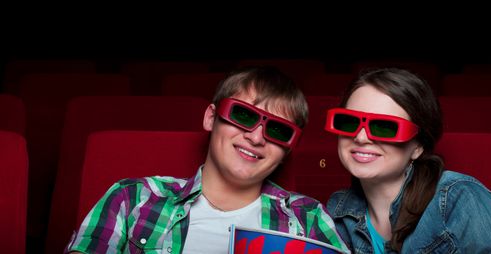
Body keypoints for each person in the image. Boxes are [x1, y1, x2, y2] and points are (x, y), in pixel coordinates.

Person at [66, 66, 349, 253]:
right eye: (244, 115)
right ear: (211, 118)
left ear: (287, 149)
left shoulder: (308, 218)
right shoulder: (133, 199)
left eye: (278, 130)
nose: (257, 137)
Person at [325, 67, 491, 253]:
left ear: (418, 147)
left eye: (384, 127)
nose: (360, 138)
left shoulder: (459, 200)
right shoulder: (338, 209)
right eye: (349, 122)